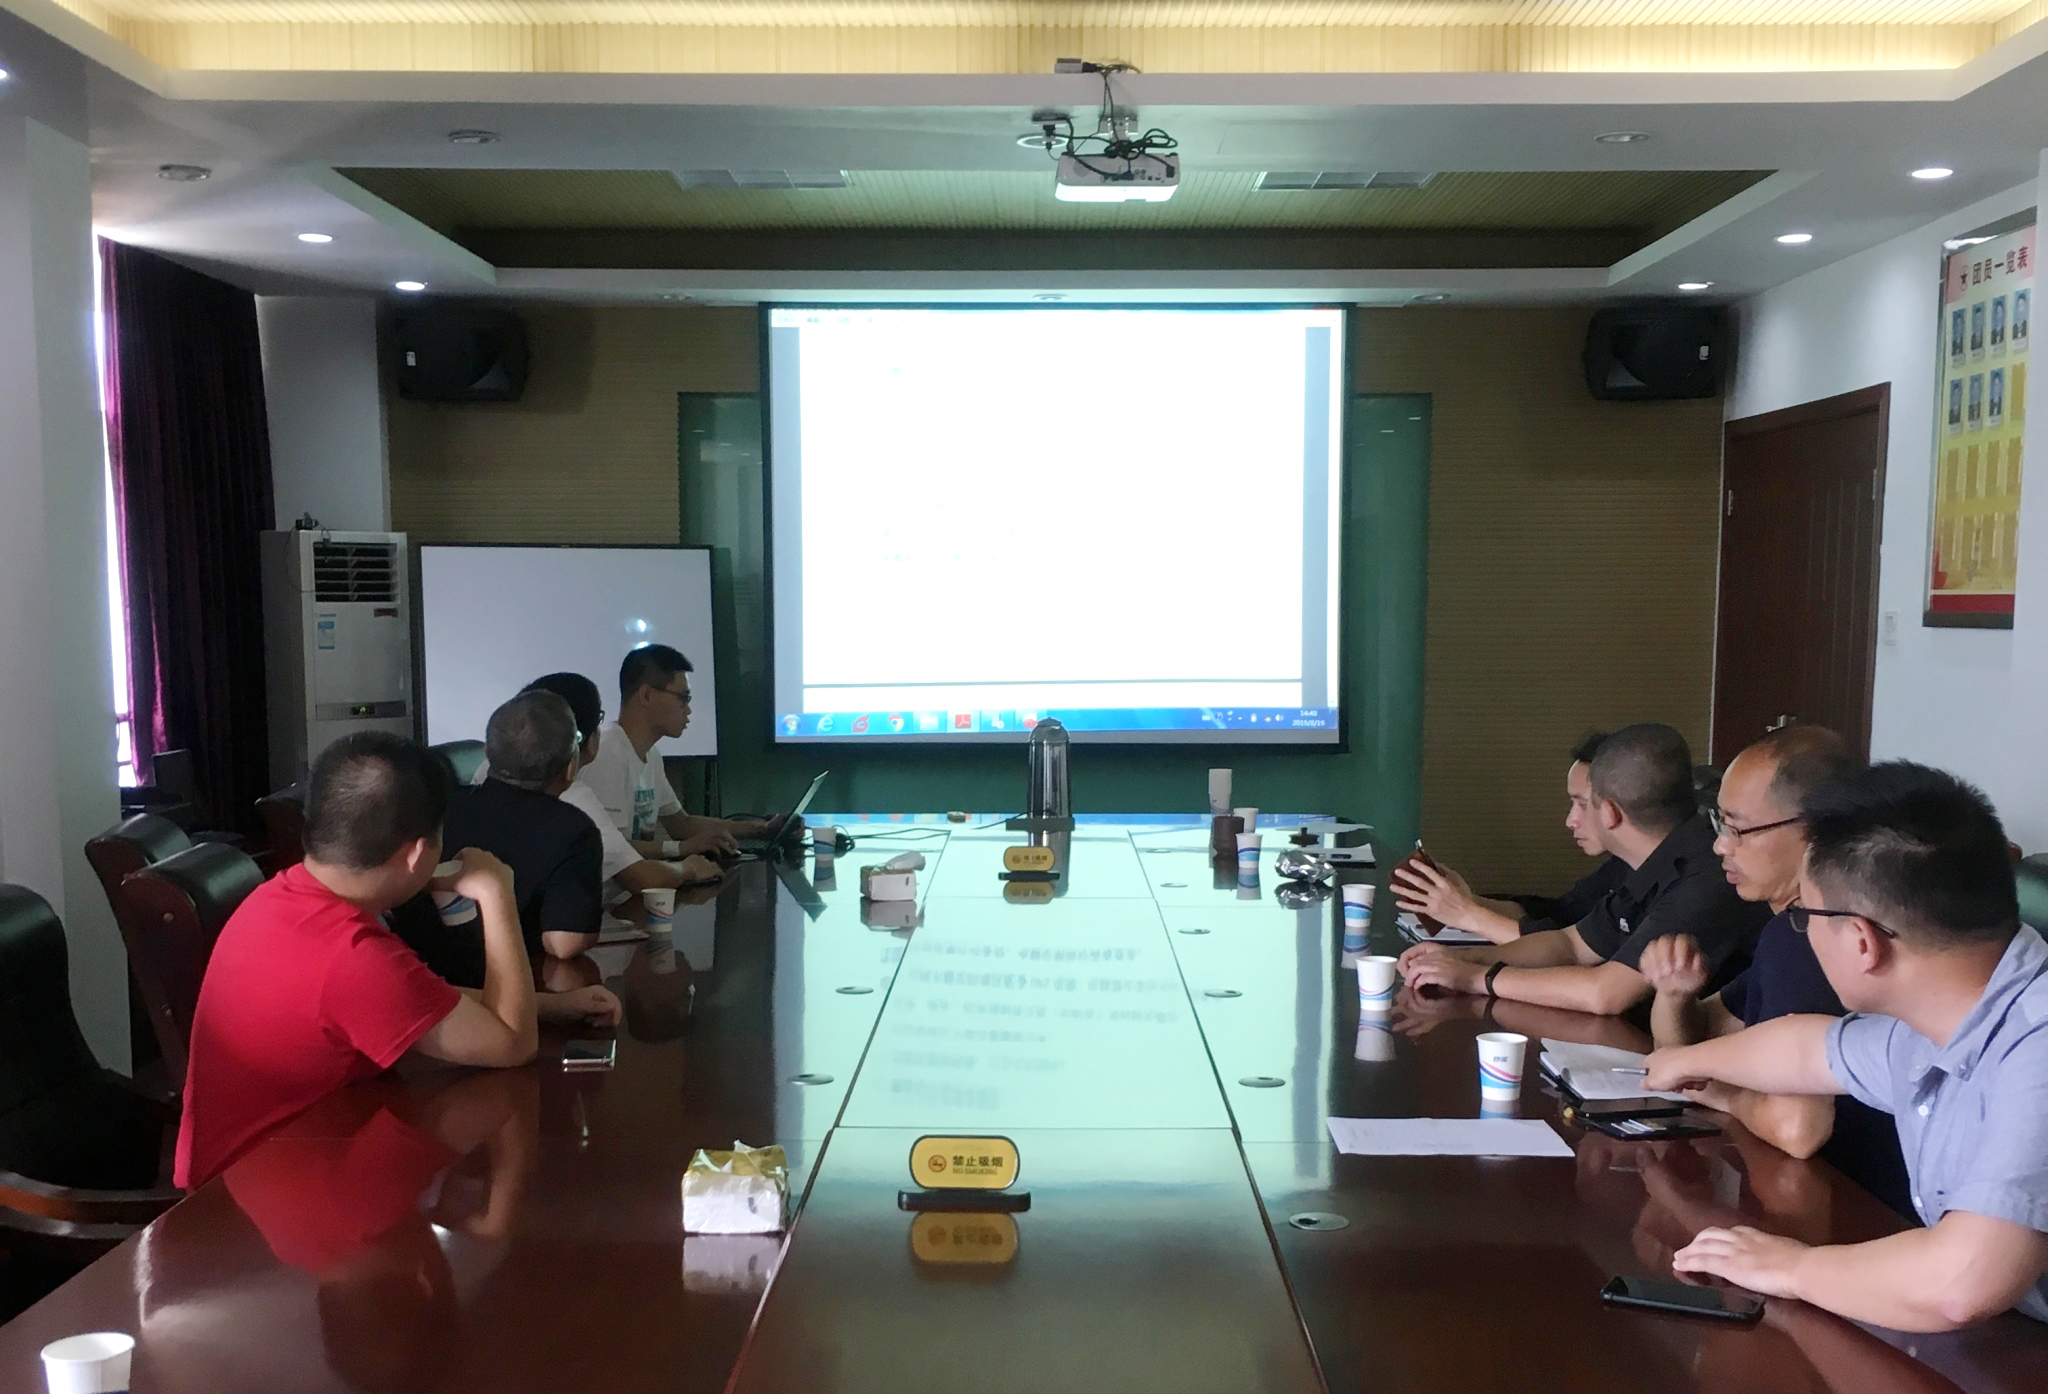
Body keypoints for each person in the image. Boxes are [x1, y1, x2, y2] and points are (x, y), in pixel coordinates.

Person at [1647, 762, 2048, 1331]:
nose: (1804, 932)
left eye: (1806, 917)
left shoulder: (2036, 1045)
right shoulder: (1948, 1010)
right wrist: (1681, 1062)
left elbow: (1961, 1284)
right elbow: (1808, 1050)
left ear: (1862, 942)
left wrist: (1791, 1267)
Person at [176, 732, 537, 1189]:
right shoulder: (351, 955)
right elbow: (513, 1044)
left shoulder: (281, 895)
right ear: (416, 854)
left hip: (258, 1172)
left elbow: (417, 1001)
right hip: (260, 1194)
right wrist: (495, 891)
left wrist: (551, 1005)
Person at [1637, 725, 1912, 1216]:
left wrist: (1721, 1093)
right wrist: (1674, 996)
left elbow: (1796, 1128)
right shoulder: (1801, 927)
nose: (1720, 846)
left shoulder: (1810, 934)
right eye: (1718, 823)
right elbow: (1693, 1046)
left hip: (1859, 1210)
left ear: (1813, 831)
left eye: (1737, 829)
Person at [1399, 723, 1768, 1017]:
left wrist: (1476, 978)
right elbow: (1570, 945)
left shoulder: (1707, 877)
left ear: (1609, 812)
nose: (1571, 819)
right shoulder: (1645, 862)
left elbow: (1605, 993)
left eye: (1583, 804)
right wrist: (1459, 958)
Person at [387, 691, 623, 1029]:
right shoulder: (574, 829)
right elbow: (564, 943)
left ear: (488, 753)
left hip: (409, 988)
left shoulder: (437, 808)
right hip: (509, 997)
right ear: (570, 767)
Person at [1392, 730, 1616, 943]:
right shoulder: (1617, 867)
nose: (1570, 820)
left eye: (1583, 805)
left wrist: (1466, 914)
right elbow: (1557, 914)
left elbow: (1568, 951)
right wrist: (1467, 900)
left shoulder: (1637, 885)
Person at [520, 671, 722, 902]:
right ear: (583, 739)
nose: (689, 710)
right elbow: (642, 878)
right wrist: (689, 868)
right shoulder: (572, 795)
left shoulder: (493, 781)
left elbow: (681, 823)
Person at [577, 643, 791, 856]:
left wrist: (762, 829)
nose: (688, 709)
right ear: (647, 695)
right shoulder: (607, 753)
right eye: (683, 698)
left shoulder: (651, 755)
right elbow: (611, 849)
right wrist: (680, 850)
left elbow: (682, 824)